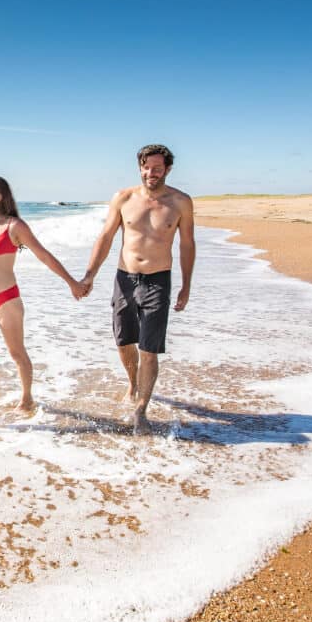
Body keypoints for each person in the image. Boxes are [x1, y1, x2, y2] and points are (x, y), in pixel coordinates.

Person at [80, 144, 195, 435]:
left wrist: (186, 286)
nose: (150, 173)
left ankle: (141, 410)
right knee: (123, 341)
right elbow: (105, 237)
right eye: (146, 167)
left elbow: (187, 244)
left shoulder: (180, 202)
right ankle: (133, 382)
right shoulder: (123, 198)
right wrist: (89, 275)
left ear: (167, 169)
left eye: (157, 168)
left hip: (158, 280)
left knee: (149, 349)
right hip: (125, 278)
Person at [0, 175, 87, 430]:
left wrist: (72, 282)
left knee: (17, 353)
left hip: (6, 299)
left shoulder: (14, 226)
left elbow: (43, 255)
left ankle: (27, 397)